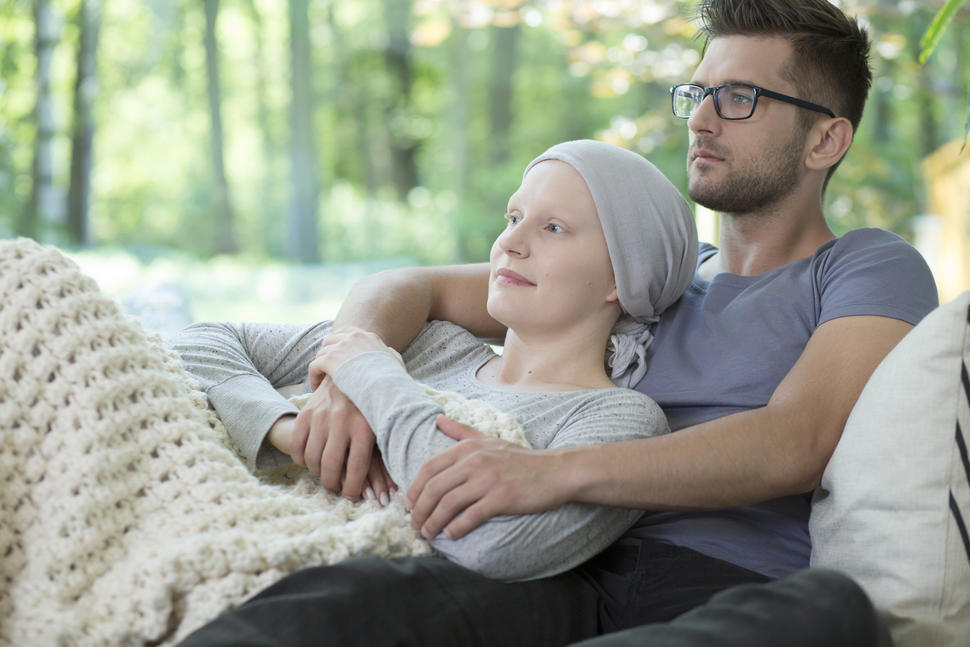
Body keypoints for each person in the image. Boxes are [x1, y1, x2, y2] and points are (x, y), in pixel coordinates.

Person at [179, 0, 939, 645]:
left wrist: (552, 472)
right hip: (560, 560)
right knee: (346, 602)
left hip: (719, 580)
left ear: (825, 139)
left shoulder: (866, 266)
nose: (701, 120)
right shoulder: (651, 278)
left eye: (740, 97)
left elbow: (797, 440)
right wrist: (345, 378)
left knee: (833, 613)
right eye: (697, 93)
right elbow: (409, 285)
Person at [173, 139, 698, 581]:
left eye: (553, 228)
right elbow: (199, 344)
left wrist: (373, 377)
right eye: (514, 217)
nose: (509, 243)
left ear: (621, 278)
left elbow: (501, 547)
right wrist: (291, 432)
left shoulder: (618, 419)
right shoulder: (431, 342)